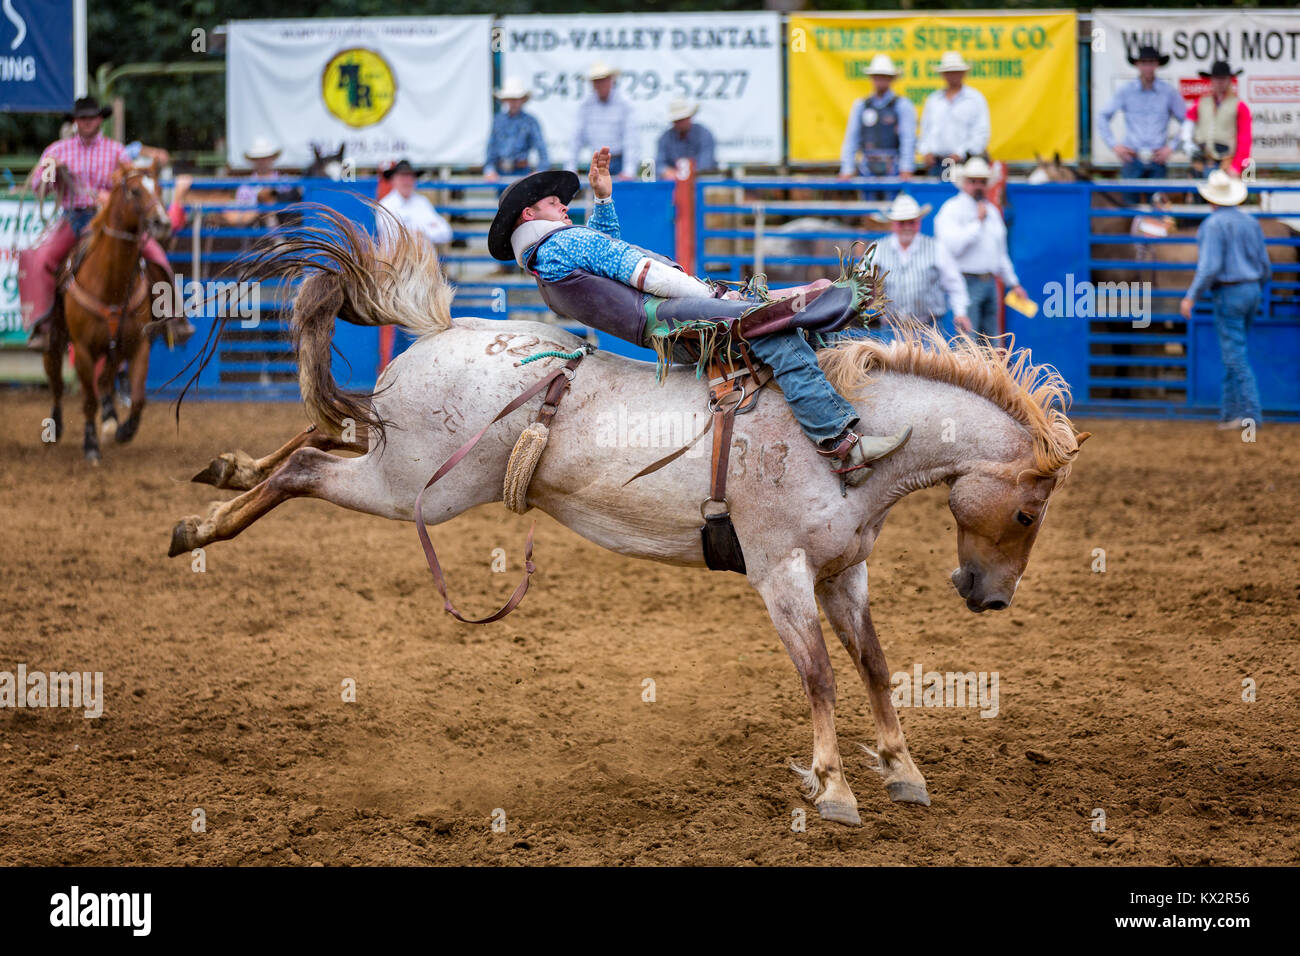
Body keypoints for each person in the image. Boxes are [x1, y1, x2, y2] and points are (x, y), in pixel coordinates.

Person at [486, 148, 912, 485]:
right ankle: (840, 442)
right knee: (773, 325)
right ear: (530, 214)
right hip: (671, 316)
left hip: (659, 330)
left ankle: (826, 410)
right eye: (554, 202)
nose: (563, 207)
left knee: (780, 316)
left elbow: (605, 257)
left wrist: (603, 197)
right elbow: (637, 268)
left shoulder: (546, 259)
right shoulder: (566, 241)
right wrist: (713, 298)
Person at [19, 96, 191, 351]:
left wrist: (110, 198)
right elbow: (38, 186)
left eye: (91, 117)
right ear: (75, 121)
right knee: (40, 258)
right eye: (82, 118)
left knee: (156, 256)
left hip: (111, 219)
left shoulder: (116, 151)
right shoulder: (57, 151)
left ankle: (173, 317)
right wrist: (52, 170)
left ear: (100, 119)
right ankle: (43, 326)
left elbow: (131, 183)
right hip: (74, 217)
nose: (87, 122)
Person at [1179, 171, 1270, 429]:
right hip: (1252, 289)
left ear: (1212, 199)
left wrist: (1190, 297)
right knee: (1235, 353)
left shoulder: (1213, 225)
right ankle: (1229, 414)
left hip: (1229, 293)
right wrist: (1256, 287)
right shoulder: (1251, 222)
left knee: (1235, 358)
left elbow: (1209, 267)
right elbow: (1265, 265)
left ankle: (1252, 415)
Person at [934, 157, 1024, 339]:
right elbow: (950, 248)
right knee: (967, 344)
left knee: (991, 342)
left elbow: (1000, 252)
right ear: (964, 183)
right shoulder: (952, 209)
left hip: (989, 282)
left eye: (982, 182)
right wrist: (977, 223)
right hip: (964, 282)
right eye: (973, 181)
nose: (978, 186)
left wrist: (1013, 283)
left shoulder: (991, 212)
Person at [869, 194, 969, 332]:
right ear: (893, 224)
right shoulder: (878, 249)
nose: (907, 227)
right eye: (902, 223)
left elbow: (954, 283)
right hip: (891, 326)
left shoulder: (936, 248)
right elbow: (864, 282)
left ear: (918, 222)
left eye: (911, 222)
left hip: (928, 327)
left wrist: (960, 313)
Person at [1097, 45, 1186, 179]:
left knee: (1157, 198)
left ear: (1157, 64)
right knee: (1130, 199)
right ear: (1137, 65)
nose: (1148, 68)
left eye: (1151, 63)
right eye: (1144, 63)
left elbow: (1187, 121)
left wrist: (1171, 148)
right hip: (1132, 157)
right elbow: (1103, 116)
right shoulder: (1126, 91)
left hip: (1157, 158)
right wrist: (1114, 146)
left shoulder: (1168, 92)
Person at [838, 54, 915, 181]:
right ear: (872, 78)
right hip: (867, 166)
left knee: (894, 200)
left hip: (893, 165)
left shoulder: (902, 105)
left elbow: (908, 138)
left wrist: (906, 168)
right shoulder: (861, 105)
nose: (880, 80)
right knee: (867, 200)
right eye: (877, 76)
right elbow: (851, 138)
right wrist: (847, 168)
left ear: (891, 79)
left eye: (884, 77)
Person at [917, 52, 990, 178]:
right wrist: (926, 151)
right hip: (937, 163)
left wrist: (961, 153)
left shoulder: (975, 99)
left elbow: (981, 133)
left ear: (963, 73)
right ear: (943, 74)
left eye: (956, 71)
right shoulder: (933, 100)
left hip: (965, 162)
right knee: (939, 195)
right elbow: (925, 130)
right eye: (949, 72)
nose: (952, 75)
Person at [1180, 61, 1252, 177]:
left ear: (1229, 80)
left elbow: (1245, 140)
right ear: (1211, 80)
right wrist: (1188, 145)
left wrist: (1237, 167)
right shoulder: (1201, 102)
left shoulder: (1240, 106)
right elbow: (1188, 123)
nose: (1220, 82)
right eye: (1217, 78)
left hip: (1226, 163)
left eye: (1223, 78)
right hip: (1201, 162)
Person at [571, 63, 638, 178]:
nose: (601, 84)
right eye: (597, 81)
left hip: (619, 162)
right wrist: (571, 168)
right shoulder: (586, 106)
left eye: (604, 80)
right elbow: (576, 137)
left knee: (617, 195)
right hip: (596, 161)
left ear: (611, 80)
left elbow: (631, 139)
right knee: (597, 193)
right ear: (592, 84)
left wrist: (629, 170)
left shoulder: (625, 104)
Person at [484, 77, 549, 180]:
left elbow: (542, 149)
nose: (513, 102)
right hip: (500, 172)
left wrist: (539, 172)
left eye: (515, 99)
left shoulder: (530, 121)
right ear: (505, 100)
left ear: (522, 100)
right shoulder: (498, 120)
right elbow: (491, 148)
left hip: (522, 171)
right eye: (510, 99)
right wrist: (489, 169)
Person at [378, 159, 453, 247]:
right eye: (402, 177)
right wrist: (430, 228)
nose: (406, 181)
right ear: (393, 180)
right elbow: (395, 238)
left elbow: (446, 232)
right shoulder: (385, 205)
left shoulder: (422, 202)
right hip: (397, 260)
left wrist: (420, 233)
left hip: (425, 259)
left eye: (410, 176)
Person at [655, 98, 716, 178]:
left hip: (699, 182)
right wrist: (667, 171)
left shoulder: (704, 134)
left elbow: (705, 164)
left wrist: (683, 175)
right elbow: (659, 164)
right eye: (677, 120)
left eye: (682, 119)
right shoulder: (665, 138)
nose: (680, 123)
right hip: (674, 183)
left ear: (689, 117)